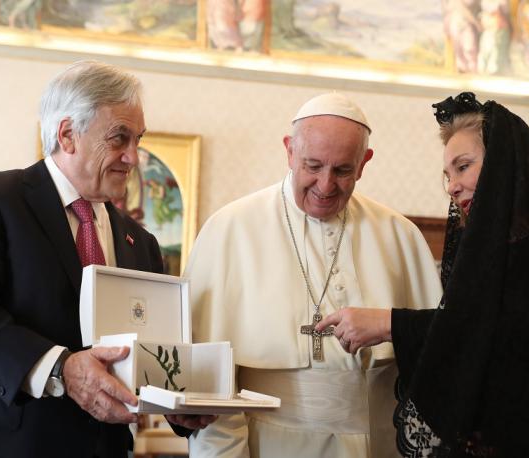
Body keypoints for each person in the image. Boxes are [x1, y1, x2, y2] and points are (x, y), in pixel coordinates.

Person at [0, 60, 212, 458]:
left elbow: (150, 351)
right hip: (3, 443)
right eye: (120, 138)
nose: (133, 157)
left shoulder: (141, 243)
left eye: (138, 140)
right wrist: (61, 367)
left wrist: (179, 406)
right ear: (68, 134)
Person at [318, 92, 529, 456]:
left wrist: (389, 324)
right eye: (447, 174)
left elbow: (518, 338)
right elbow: (478, 328)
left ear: (504, 163)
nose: (452, 186)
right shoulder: (501, 241)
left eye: (463, 166)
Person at [185, 92, 443, 457]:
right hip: (270, 445)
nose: (325, 185)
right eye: (312, 166)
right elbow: (209, 385)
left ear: (364, 162)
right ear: (289, 150)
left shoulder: (399, 236)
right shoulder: (231, 228)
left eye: (342, 170)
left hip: (378, 445)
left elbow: (433, 367)